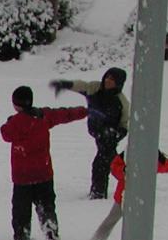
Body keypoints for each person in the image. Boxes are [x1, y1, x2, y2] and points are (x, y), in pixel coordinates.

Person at [0, 85, 87, 240]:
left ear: (16, 104)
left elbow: (5, 134)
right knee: (47, 206)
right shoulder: (44, 116)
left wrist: (9, 121)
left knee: (21, 210)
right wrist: (84, 111)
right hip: (44, 173)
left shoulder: (15, 122)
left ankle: (21, 236)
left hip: (22, 177)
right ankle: (51, 234)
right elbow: (65, 114)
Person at [87, 150, 168, 240]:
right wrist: (123, 170)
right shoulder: (129, 154)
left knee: (139, 224)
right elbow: (115, 167)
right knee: (112, 220)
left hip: (140, 199)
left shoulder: (152, 156)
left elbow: (166, 165)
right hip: (124, 197)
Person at [49, 67, 129, 199]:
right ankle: (131, 181)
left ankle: (98, 193)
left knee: (101, 164)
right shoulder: (95, 88)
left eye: (112, 80)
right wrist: (65, 85)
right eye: (107, 77)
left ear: (119, 83)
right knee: (112, 163)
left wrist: (114, 134)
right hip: (97, 133)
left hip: (109, 137)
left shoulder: (122, 101)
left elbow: (125, 124)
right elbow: (81, 86)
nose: (108, 81)